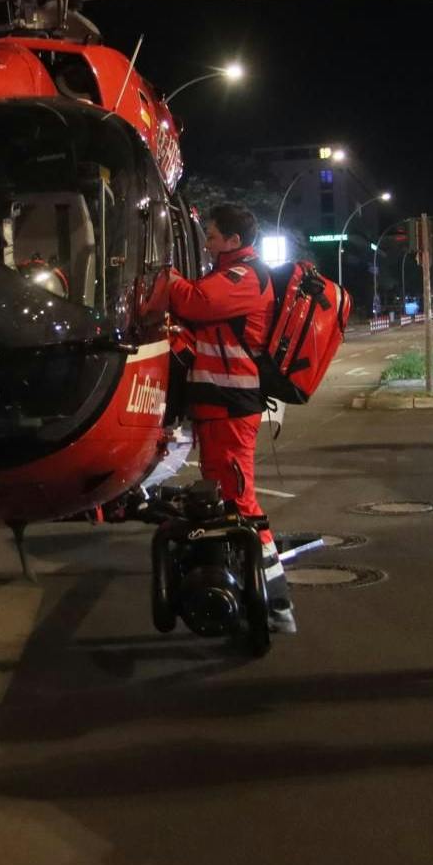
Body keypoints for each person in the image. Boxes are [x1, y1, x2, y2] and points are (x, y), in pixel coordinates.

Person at [166, 202, 295, 633]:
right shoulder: (230, 274)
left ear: (235, 242)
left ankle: (277, 605)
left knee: (241, 503)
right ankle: (246, 590)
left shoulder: (243, 277)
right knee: (224, 500)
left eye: (214, 235)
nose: (208, 241)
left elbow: (196, 303)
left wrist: (165, 277)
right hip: (217, 406)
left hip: (231, 405)